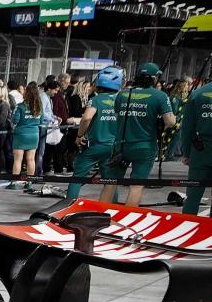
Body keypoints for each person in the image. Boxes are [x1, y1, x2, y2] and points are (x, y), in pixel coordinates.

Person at [108, 63, 177, 207]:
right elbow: (170, 122)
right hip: (145, 145)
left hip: (121, 145)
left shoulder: (123, 93)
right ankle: (127, 218)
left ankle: (99, 215)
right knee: (136, 186)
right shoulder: (160, 95)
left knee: (110, 183)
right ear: (153, 78)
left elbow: (117, 116)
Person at [67, 66, 123, 203]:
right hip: (113, 147)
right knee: (110, 181)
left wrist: (80, 135)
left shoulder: (96, 100)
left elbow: (86, 118)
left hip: (95, 146)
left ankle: (68, 205)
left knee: (77, 178)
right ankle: (113, 209)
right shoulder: (120, 99)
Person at [177, 76, 211, 215]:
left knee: (193, 195)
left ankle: (187, 225)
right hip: (201, 147)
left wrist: (186, 152)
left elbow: (187, 127)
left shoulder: (198, 93)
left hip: (201, 150)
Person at [9, 83, 43, 192]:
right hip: (34, 134)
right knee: (31, 159)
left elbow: (15, 120)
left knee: (18, 160)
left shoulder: (21, 106)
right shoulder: (39, 106)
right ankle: (29, 182)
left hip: (21, 134)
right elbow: (41, 121)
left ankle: (14, 182)